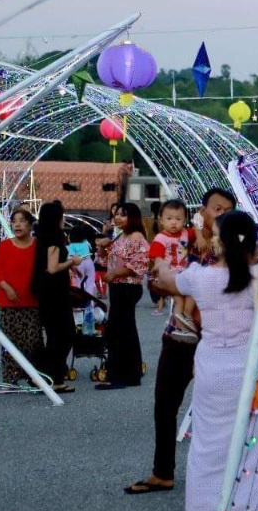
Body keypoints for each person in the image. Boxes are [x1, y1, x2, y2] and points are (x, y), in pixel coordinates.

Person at [151, 210, 258, 511]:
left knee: (207, 452)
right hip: (255, 366)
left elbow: (167, 282)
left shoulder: (199, 276)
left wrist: (162, 266)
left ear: (221, 241)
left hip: (213, 368)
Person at [125, 187, 236, 495]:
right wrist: (170, 286)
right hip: (180, 336)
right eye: (216, 208)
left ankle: (227, 474)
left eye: (227, 210)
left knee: (220, 410)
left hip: (217, 339)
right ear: (203, 210)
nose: (221, 214)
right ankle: (163, 472)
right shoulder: (185, 241)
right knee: (165, 404)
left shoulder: (238, 251)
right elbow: (155, 282)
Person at [98, 202, 149, 390]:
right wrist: (103, 245)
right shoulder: (120, 235)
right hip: (117, 288)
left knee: (121, 331)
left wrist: (117, 274)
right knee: (121, 330)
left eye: (123, 215)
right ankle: (128, 373)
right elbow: (104, 260)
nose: (118, 217)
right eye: (116, 214)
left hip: (128, 288)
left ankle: (120, 375)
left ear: (133, 217)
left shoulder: (136, 237)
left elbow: (140, 264)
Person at [32, 201, 80, 394]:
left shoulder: (41, 238)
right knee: (65, 334)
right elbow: (52, 268)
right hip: (56, 294)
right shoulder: (54, 240)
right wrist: (72, 262)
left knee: (55, 335)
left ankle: (46, 375)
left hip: (45, 292)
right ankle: (53, 376)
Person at [0, 209, 42, 384]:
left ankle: (34, 377)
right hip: (7, 303)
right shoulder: (4, 246)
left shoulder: (38, 246)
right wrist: (7, 288)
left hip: (31, 302)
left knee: (33, 341)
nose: (18, 224)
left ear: (30, 225)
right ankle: (9, 379)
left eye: (22, 221)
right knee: (9, 344)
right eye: (14, 221)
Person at [148, 200, 196, 329]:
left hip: (184, 273)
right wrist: (163, 274)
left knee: (193, 293)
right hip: (170, 275)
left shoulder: (187, 233)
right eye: (169, 218)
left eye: (178, 219)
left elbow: (199, 229)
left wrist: (201, 237)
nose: (174, 222)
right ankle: (178, 325)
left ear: (185, 219)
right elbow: (157, 259)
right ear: (161, 220)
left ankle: (186, 317)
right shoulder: (160, 238)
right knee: (179, 299)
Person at [68, 226, 97, 298]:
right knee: (90, 283)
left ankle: (79, 301)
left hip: (78, 263)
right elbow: (91, 249)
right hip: (89, 261)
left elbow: (70, 257)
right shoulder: (86, 242)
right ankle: (89, 301)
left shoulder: (71, 245)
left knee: (78, 283)